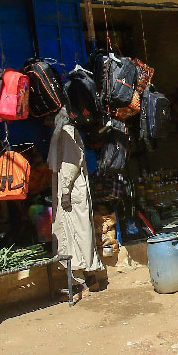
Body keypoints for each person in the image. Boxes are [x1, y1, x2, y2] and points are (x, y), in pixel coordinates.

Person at [47, 107, 105, 293]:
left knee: (75, 235)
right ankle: (89, 279)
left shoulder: (66, 133)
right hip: (72, 190)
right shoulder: (65, 132)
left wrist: (65, 192)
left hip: (72, 192)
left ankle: (79, 281)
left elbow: (70, 165)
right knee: (80, 234)